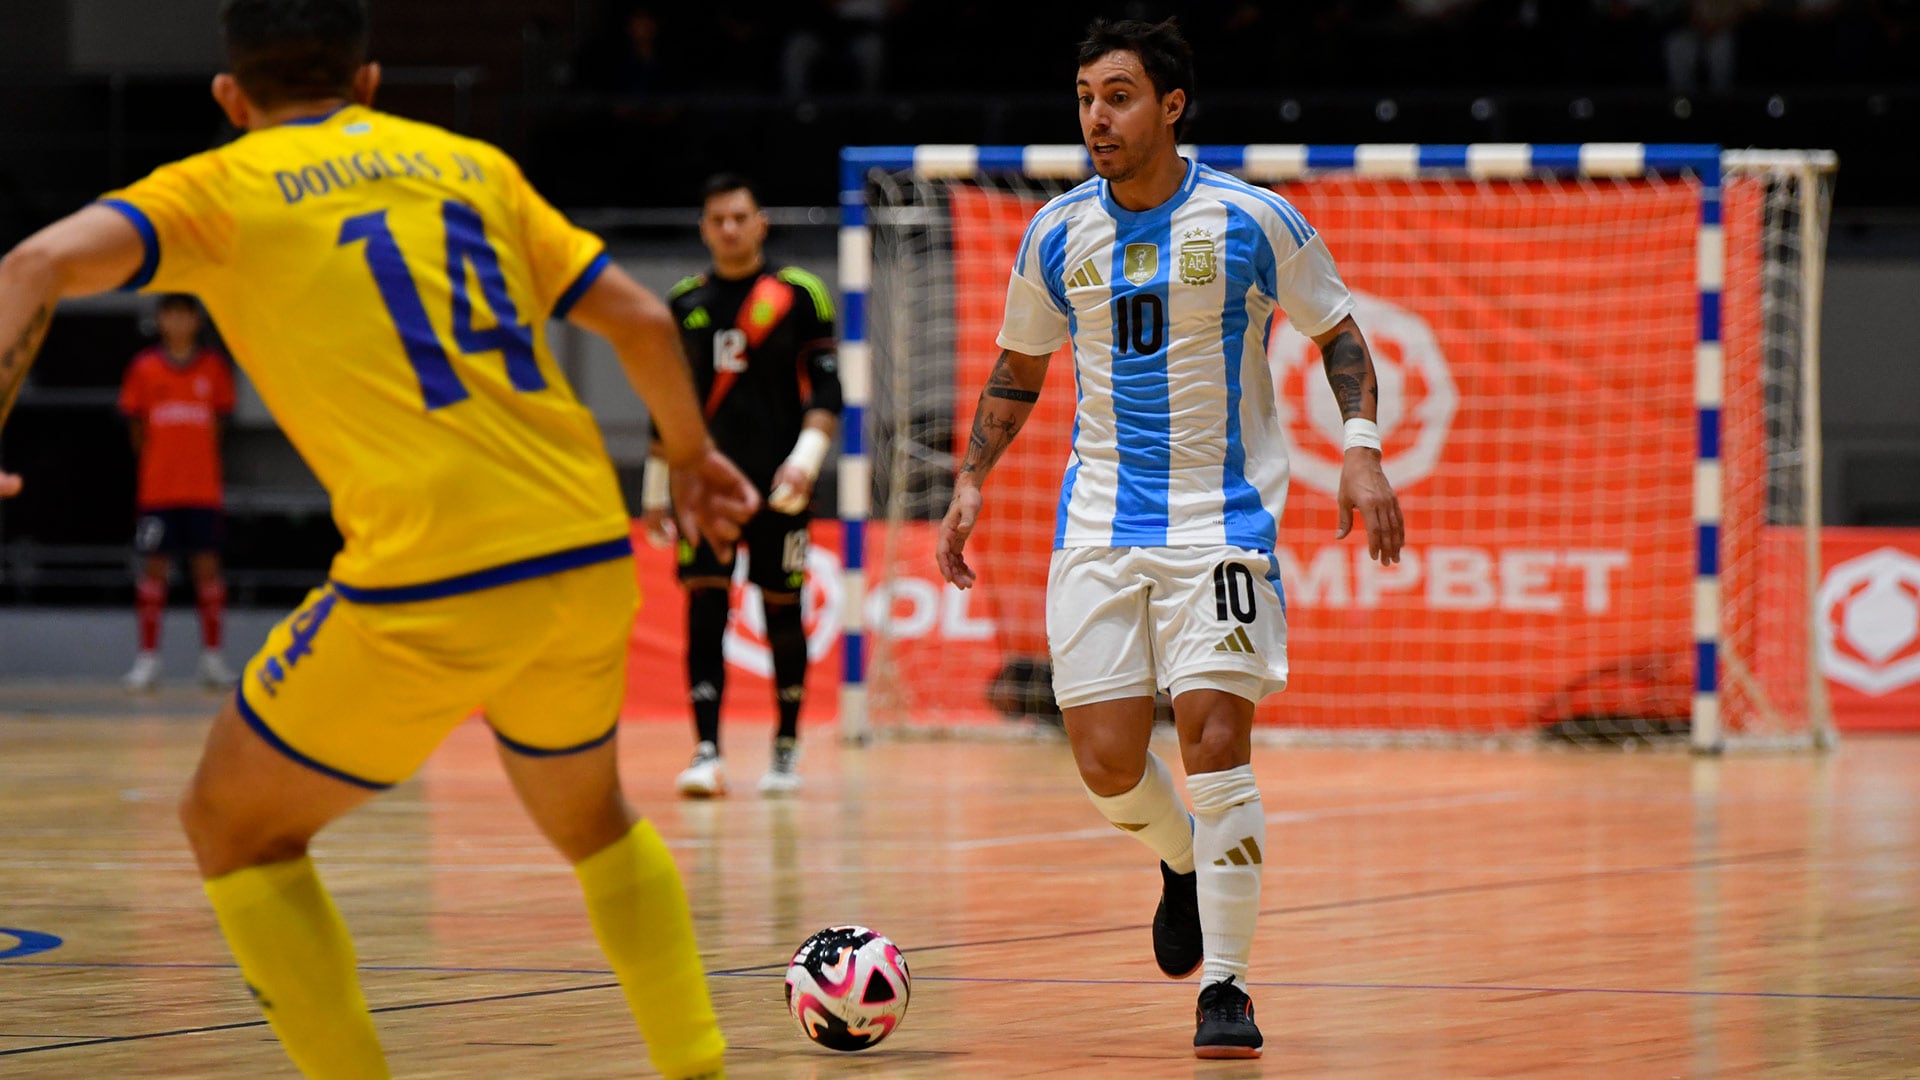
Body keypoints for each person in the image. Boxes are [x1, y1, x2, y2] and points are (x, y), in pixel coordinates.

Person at [0, 2, 758, 1077]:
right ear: (368, 80)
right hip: (585, 547)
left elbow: (30, 263)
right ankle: (700, 1066)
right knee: (592, 819)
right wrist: (688, 456)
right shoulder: (469, 164)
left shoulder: (219, 185)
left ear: (230, 99)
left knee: (231, 824)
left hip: (433, 569)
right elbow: (637, 321)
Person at [934, 17, 1406, 1061]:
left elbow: (1342, 335)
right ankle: (1183, 860)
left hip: (1222, 525)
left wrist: (1362, 449)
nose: (1095, 118)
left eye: (1117, 97)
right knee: (1106, 763)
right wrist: (971, 480)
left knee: (1215, 742)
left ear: (1172, 106)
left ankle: (1227, 989)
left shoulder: (1251, 219)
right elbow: (1019, 371)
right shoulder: (1056, 232)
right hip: (1097, 525)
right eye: (1085, 99)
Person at [646, 174, 842, 798]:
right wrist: (656, 493)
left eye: (739, 217)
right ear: (704, 229)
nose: (728, 229)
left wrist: (805, 464)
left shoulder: (798, 293)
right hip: (706, 491)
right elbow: (666, 407)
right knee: (705, 604)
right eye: (717, 220)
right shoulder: (683, 301)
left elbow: (828, 392)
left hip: (780, 486)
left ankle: (785, 748)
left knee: (781, 608)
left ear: (760, 222)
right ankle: (706, 751)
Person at [119, 293, 238, 691]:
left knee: (208, 570)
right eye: (170, 314)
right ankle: (148, 660)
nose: (178, 322)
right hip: (157, 492)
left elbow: (220, 426)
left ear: (196, 320)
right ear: (160, 320)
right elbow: (136, 428)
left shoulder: (214, 368)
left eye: (185, 315)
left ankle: (212, 660)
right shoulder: (144, 368)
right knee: (154, 571)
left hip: (203, 490)